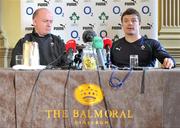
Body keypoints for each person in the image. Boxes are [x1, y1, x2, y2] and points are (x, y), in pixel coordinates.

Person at [110, 8, 176, 69]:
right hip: (119, 81)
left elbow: (168, 58)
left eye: (134, 20)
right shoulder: (115, 45)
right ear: (122, 25)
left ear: (139, 24)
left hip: (147, 80)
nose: (130, 23)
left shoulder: (152, 44)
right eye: (126, 21)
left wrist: (169, 61)